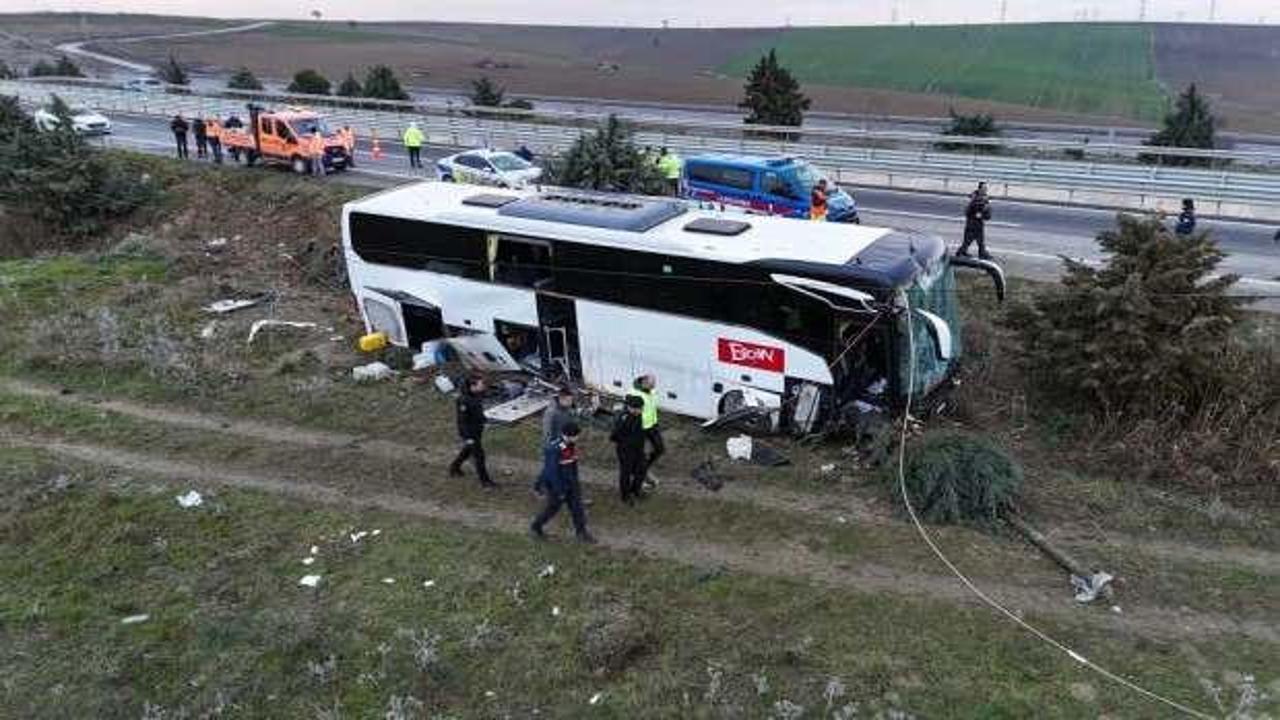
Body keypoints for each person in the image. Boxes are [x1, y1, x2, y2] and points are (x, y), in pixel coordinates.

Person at [530, 422, 595, 543]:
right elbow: (551, 472)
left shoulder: (570, 445)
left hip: (571, 484)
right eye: (576, 436)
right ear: (569, 435)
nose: (578, 438)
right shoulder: (554, 449)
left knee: (577, 509)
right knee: (551, 509)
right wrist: (559, 491)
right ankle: (536, 526)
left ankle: (581, 533)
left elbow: (571, 464)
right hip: (558, 487)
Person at [448, 375, 496, 488]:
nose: (484, 386)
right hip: (470, 432)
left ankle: (454, 467)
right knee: (479, 456)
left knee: (467, 451)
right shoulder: (464, 400)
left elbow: (478, 413)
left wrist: (486, 421)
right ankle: (485, 482)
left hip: (477, 430)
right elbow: (463, 421)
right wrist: (468, 438)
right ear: (472, 386)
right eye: (481, 384)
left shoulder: (476, 395)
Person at [536, 387, 576, 495]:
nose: (571, 403)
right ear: (561, 399)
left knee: (558, 466)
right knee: (549, 467)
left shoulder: (566, 409)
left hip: (564, 442)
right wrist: (554, 446)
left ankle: (559, 486)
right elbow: (547, 432)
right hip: (554, 445)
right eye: (568, 401)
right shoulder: (551, 412)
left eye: (571, 400)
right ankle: (539, 487)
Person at [610, 395, 647, 505]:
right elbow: (614, 436)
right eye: (636, 408)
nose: (639, 411)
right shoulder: (623, 418)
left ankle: (636, 490)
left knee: (641, 470)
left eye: (640, 408)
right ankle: (625, 495)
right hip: (626, 451)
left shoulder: (639, 416)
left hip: (639, 449)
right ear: (630, 408)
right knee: (625, 473)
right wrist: (627, 442)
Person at [626, 374, 663, 474]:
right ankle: (638, 470)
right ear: (644, 383)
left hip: (652, 425)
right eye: (651, 385)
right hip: (639, 427)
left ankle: (644, 467)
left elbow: (652, 407)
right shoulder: (633, 393)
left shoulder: (652, 391)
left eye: (654, 385)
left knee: (660, 449)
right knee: (639, 452)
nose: (653, 387)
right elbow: (629, 411)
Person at [956, 182, 993, 260]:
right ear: (979, 189)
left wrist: (985, 211)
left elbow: (986, 212)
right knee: (968, 241)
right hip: (972, 224)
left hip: (979, 223)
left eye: (986, 188)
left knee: (980, 241)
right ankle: (961, 253)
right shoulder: (975, 198)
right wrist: (977, 214)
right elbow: (968, 211)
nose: (985, 190)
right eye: (983, 188)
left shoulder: (984, 198)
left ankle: (982, 253)